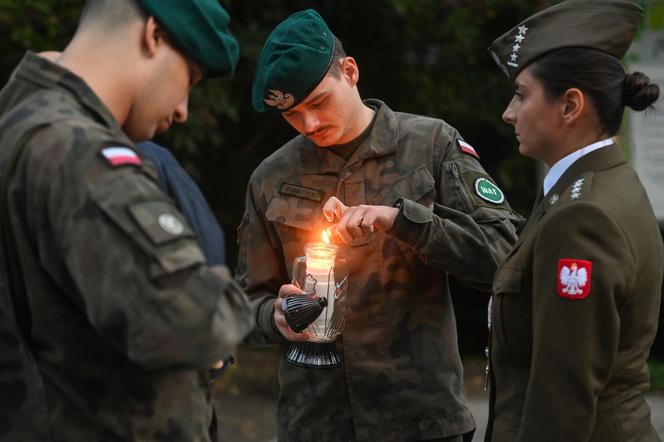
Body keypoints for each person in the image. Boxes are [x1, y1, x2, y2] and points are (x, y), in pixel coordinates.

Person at [236, 9, 522, 442]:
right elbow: (246, 300)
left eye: (318, 103)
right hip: (315, 422)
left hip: (421, 420)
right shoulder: (271, 178)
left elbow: (505, 258)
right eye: (292, 115)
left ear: (349, 72)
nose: (309, 124)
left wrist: (405, 221)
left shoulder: (431, 145)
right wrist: (273, 316)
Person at [0, 1, 254, 441]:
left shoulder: (18, 125)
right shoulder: (80, 154)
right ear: (153, 34)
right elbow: (194, 321)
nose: (182, 111)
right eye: (188, 80)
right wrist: (230, 299)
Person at [485, 1, 663, 441]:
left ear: (570, 106)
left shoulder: (582, 216)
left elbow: (560, 403)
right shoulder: (601, 184)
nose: (509, 112)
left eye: (522, 95)